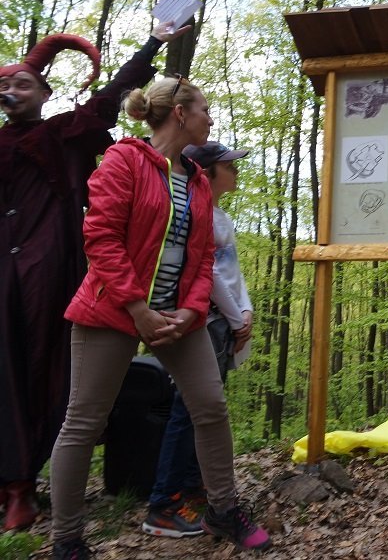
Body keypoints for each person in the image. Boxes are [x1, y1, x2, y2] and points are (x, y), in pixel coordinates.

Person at [49, 77, 271, 559]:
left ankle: (222, 510)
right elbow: (101, 238)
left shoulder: (196, 180)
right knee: (84, 421)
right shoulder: (124, 160)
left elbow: (202, 257)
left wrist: (192, 308)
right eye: (205, 109)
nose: (211, 119)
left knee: (209, 406)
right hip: (113, 309)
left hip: (178, 316)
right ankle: (66, 538)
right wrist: (137, 308)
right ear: (179, 113)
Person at [0, 22, 187, 531]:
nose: (11, 92)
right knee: (5, 373)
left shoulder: (64, 135)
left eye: (23, 83)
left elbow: (109, 96)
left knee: (50, 372)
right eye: (5, 86)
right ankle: (12, 484)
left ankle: (25, 486)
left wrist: (155, 42)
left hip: (51, 273)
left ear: (45, 92)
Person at [143, 140, 254, 538]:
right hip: (204, 321)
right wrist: (234, 315)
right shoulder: (198, 215)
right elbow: (207, 277)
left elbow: (233, 272)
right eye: (229, 166)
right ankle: (163, 500)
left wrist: (247, 311)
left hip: (224, 320)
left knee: (202, 411)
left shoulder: (221, 216)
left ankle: (192, 487)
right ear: (206, 173)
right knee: (187, 409)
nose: (236, 171)